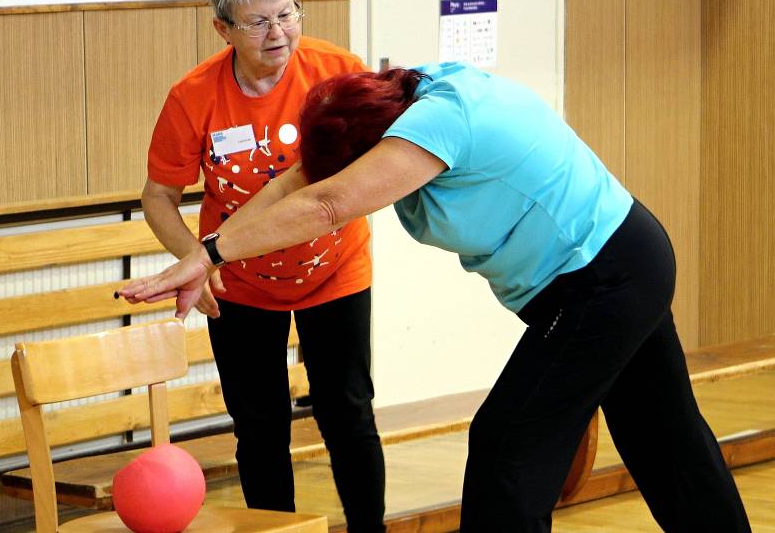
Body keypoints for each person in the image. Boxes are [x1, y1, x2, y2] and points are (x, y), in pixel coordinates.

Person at [122, 62, 752, 533]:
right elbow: (302, 180)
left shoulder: (437, 124)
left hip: (602, 279)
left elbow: (325, 201)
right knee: (663, 433)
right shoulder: (405, 101)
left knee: (508, 443)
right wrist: (202, 252)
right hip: (622, 260)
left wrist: (208, 256)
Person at [140, 0, 384, 532]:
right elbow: (159, 197)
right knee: (259, 423)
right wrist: (192, 264)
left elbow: (375, 165)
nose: (278, 33)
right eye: (257, 22)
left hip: (337, 268)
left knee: (346, 410)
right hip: (240, 281)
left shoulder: (337, 71)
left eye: (287, 14)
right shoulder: (194, 97)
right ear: (223, 28)